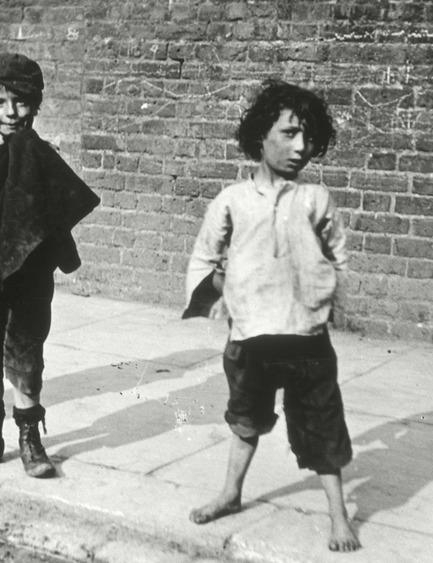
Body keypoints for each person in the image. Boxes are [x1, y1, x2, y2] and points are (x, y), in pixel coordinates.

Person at [182, 79, 360, 552]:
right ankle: (230, 492)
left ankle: (339, 516)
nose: (299, 147)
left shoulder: (316, 199)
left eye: (307, 137)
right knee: (245, 419)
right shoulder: (232, 201)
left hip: (306, 340)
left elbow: (339, 259)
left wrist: (323, 298)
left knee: (322, 428)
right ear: (261, 136)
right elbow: (204, 258)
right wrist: (230, 292)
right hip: (250, 339)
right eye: (288, 133)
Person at [0, 52, 99, 478]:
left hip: (28, 267)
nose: (11, 113)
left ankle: (30, 440)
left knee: (26, 351)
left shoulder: (43, 153)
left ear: (36, 105)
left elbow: (58, 207)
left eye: (21, 103)